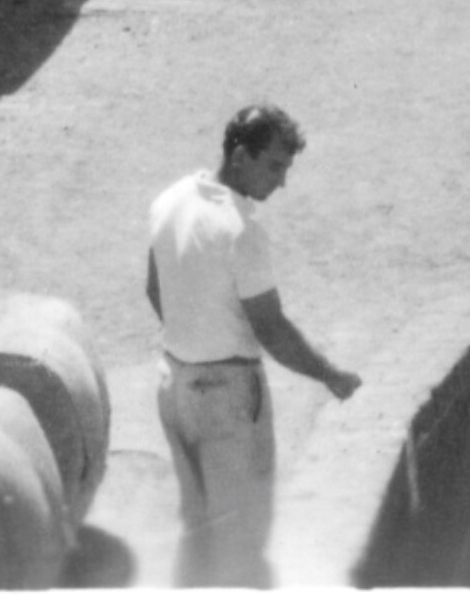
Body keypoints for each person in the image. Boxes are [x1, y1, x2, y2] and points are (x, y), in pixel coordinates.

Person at [144, 103, 361, 587]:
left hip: (173, 386)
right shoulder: (242, 231)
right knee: (241, 543)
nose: (282, 183)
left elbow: (154, 289)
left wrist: (194, 334)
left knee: (198, 527)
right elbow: (272, 330)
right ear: (240, 156)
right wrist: (330, 375)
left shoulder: (169, 200)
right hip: (227, 400)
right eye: (275, 166)